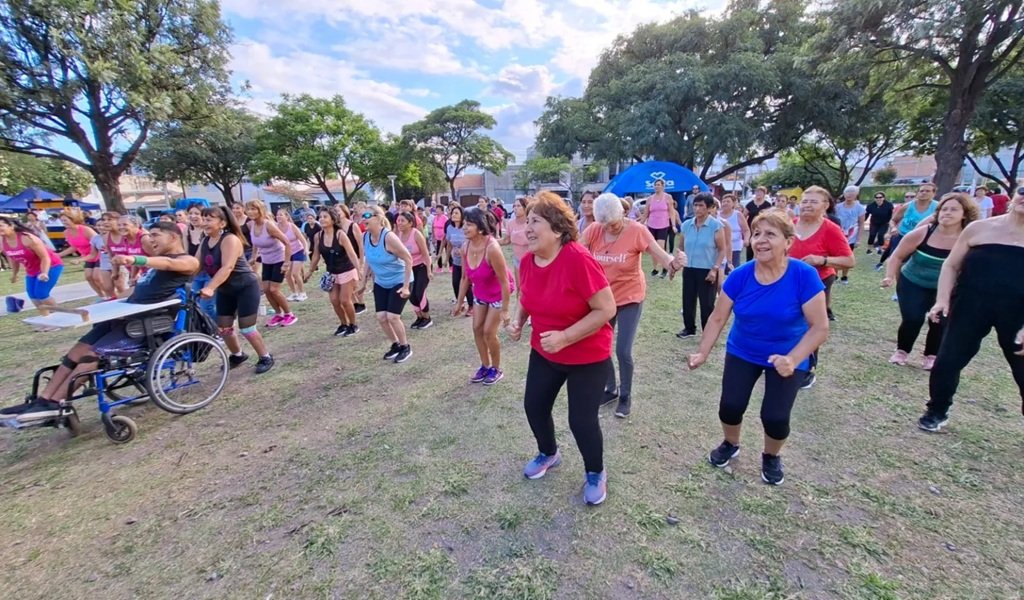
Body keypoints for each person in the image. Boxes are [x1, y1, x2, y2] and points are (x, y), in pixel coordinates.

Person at [0, 222, 201, 420]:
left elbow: (169, 264)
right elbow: (134, 292)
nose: (150, 239)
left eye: (156, 235)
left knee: (91, 355)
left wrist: (134, 259)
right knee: (78, 349)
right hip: (126, 316)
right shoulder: (156, 263)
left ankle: (57, 403)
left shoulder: (187, 261)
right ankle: (43, 400)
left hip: (147, 323)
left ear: (173, 237)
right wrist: (106, 303)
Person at [687, 210, 829, 485]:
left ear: (788, 242)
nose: (761, 240)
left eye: (771, 234)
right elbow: (718, 318)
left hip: (788, 355)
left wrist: (793, 358)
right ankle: (731, 443)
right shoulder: (740, 276)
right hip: (744, 350)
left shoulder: (804, 276)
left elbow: (820, 327)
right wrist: (702, 352)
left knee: (775, 417)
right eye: (757, 234)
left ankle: (771, 456)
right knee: (730, 405)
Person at [508, 191, 617, 506]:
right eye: (526, 220)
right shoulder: (528, 261)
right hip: (545, 350)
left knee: (581, 420)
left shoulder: (578, 259)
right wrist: (518, 320)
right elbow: (527, 297)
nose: (527, 228)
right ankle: (548, 453)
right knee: (534, 406)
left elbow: (606, 309)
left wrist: (566, 337)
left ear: (557, 229)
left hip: (587, 354)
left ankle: (596, 471)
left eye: (535, 221)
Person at [917, 188, 1024, 432]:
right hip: (970, 305)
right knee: (947, 361)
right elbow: (951, 266)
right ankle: (937, 410)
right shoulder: (979, 229)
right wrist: (942, 300)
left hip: (1019, 313)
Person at [582, 193, 685, 418]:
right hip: (603, 299)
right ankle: (610, 389)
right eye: (605, 224)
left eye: (614, 224)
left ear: (623, 213)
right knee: (600, 347)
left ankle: (626, 395)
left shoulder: (636, 230)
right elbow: (577, 253)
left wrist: (672, 263)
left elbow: (660, 254)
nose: (609, 228)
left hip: (630, 297)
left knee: (623, 350)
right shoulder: (594, 230)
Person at [881, 193, 978, 370]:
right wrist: (889, 276)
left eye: (953, 209)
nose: (947, 213)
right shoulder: (922, 233)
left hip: (947, 288)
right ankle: (902, 351)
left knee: (939, 321)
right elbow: (897, 256)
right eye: (944, 209)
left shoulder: (969, 238)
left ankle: (931, 355)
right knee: (912, 318)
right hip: (913, 282)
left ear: (964, 214)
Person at [789, 186, 855, 388]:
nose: (807, 205)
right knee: (787, 320)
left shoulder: (830, 229)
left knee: (812, 325)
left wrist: (822, 259)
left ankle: (808, 369)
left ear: (825, 206)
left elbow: (849, 261)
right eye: (805, 201)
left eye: (813, 201)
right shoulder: (789, 225)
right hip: (788, 281)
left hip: (817, 282)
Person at [199, 206, 275, 373]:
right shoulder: (205, 241)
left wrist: (210, 287)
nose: (204, 222)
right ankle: (238, 355)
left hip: (245, 287)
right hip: (226, 289)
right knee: (224, 328)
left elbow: (228, 267)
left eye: (209, 219)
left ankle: (265, 357)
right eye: (203, 219)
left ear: (222, 223)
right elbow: (196, 265)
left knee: (247, 328)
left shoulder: (230, 239)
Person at [453, 207, 512, 385]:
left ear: (480, 228)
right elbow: (465, 278)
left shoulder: (492, 248)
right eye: (464, 224)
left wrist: (505, 310)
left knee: (488, 332)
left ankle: (496, 368)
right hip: (480, 293)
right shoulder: (465, 247)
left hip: (497, 294)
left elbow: (504, 282)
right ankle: (485, 366)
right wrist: (459, 302)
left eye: (469, 224)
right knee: (477, 329)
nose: (464, 227)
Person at [358, 206, 415, 363]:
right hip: (381, 281)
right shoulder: (365, 237)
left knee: (392, 316)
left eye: (367, 215)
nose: (363, 218)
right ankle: (395, 345)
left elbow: (408, 259)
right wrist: (363, 282)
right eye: (362, 215)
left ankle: (405, 347)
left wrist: (405, 286)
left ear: (378, 217)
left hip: (400, 279)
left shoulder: (389, 237)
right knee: (381, 317)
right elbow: (368, 260)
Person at [676, 193, 726, 339]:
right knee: (688, 300)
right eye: (695, 205)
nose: (697, 209)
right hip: (689, 267)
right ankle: (689, 328)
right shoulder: (687, 225)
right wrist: (676, 264)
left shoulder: (716, 226)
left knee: (707, 303)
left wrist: (715, 269)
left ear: (709, 208)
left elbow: (722, 249)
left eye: (701, 206)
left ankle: (708, 331)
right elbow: (681, 247)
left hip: (707, 269)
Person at [305, 207, 361, 337]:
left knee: (345, 300)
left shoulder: (340, 234)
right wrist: (310, 271)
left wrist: (359, 271)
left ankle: (353, 325)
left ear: (332, 219)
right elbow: (316, 256)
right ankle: (344, 324)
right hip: (332, 273)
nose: (322, 219)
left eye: (325, 217)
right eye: (321, 217)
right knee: (335, 300)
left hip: (347, 270)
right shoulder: (318, 236)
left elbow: (352, 254)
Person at [245, 200, 296, 327]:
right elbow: (255, 243)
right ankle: (278, 314)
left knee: (274, 289)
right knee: (266, 290)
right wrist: (253, 256)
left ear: (260, 210)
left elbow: (287, 243)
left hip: (279, 259)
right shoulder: (251, 225)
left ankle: (289, 314)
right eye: (249, 209)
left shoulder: (269, 225)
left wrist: (286, 262)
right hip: (267, 260)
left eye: (254, 209)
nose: (251, 212)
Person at [0, 216, 63, 311]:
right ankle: (46, 319)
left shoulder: (27, 238)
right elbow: (13, 258)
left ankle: (60, 316)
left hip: (51, 265)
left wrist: (44, 273)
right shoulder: (2, 241)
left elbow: (45, 257)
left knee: (41, 294)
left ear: (11, 226)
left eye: (1, 225)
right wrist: (14, 274)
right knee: (32, 295)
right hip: (32, 269)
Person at [877, 183, 938, 269]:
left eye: (927, 191)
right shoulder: (908, 206)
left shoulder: (937, 207)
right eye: (921, 191)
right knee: (898, 262)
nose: (924, 193)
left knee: (915, 264)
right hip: (902, 236)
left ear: (934, 194)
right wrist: (893, 228)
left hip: (923, 239)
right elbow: (893, 220)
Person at [395, 210, 434, 330]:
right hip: (408, 268)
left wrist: (429, 270)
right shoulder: (398, 235)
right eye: (398, 221)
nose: (399, 223)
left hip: (422, 266)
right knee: (410, 294)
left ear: (410, 223)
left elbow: (426, 253)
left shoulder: (416, 234)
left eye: (403, 221)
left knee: (419, 292)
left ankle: (427, 318)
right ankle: (419, 317)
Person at [57, 208, 102, 297]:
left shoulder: (86, 230)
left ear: (73, 219)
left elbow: (98, 243)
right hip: (87, 257)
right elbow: (74, 247)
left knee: (97, 277)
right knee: (88, 277)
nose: (63, 223)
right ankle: (101, 295)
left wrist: (80, 260)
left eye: (65, 220)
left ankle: (110, 294)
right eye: (62, 221)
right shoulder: (66, 232)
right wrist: (58, 255)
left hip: (99, 255)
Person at [639, 179, 677, 278]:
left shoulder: (668, 197)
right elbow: (646, 213)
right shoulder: (650, 199)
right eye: (655, 185)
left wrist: (673, 225)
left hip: (663, 225)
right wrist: (639, 224)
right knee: (653, 249)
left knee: (661, 247)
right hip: (651, 225)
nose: (657, 186)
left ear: (663, 186)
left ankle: (665, 268)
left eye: (659, 185)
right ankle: (655, 269)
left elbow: (672, 212)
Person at [184, 204, 215, 316]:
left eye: (196, 213)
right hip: (195, 273)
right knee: (193, 303)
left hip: (210, 272)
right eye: (190, 213)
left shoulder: (209, 232)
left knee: (206, 306)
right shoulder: (187, 231)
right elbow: (185, 253)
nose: (193, 216)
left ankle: (219, 330)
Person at [276, 207, 309, 302]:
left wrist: (306, 249)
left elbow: (302, 240)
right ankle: (294, 293)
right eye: (277, 215)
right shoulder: (276, 227)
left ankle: (302, 293)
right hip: (286, 253)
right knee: (287, 274)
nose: (278, 217)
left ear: (286, 216)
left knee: (295, 273)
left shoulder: (292, 226)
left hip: (298, 251)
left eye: (281, 215)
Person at [835, 185, 866, 284]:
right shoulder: (838, 207)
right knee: (835, 255)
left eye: (852, 193)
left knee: (847, 256)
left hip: (851, 236)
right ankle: (834, 275)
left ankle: (844, 276)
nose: (849, 195)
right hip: (838, 235)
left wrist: (858, 239)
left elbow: (861, 224)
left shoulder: (860, 208)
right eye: (847, 193)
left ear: (856, 195)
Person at [499, 196, 530, 294]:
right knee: (520, 288)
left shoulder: (531, 223)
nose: (515, 208)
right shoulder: (510, 224)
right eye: (514, 206)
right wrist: (490, 241)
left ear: (525, 208)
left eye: (519, 206)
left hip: (531, 260)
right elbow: (506, 240)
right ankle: (519, 308)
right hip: (517, 260)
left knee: (530, 288)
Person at [446, 205, 474, 311]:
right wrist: (446, 258)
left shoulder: (466, 227)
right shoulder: (450, 228)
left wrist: (463, 250)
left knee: (466, 282)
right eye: (452, 213)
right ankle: (460, 303)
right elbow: (449, 244)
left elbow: (472, 241)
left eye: (456, 213)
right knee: (455, 282)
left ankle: (471, 306)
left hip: (467, 260)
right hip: (456, 260)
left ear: (462, 215)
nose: (453, 215)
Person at [719, 194, 749, 273]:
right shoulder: (717, 215)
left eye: (728, 201)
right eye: (723, 201)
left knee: (733, 270)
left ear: (733, 203)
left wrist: (746, 239)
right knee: (721, 270)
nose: (725, 203)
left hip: (735, 247)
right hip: (720, 247)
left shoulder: (738, 214)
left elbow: (746, 230)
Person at [743, 186, 772, 261]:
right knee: (749, 251)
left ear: (764, 194)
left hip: (763, 230)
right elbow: (743, 216)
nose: (758, 193)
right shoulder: (750, 204)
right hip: (751, 230)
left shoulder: (767, 205)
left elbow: (770, 217)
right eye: (757, 192)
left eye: (761, 192)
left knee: (760, 248)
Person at [431, 206, 448, 273]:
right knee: (438, 252)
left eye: (439, 209)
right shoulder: (434, 218)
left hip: (445, 238)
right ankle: (439, 266)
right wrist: (433, 236)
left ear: (442, 211)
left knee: (447, 251)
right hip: (437, 238)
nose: (437, 210)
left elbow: (447, 227)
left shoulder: (445, 218)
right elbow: (433, 227)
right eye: (436, 209)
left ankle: (450, 265)